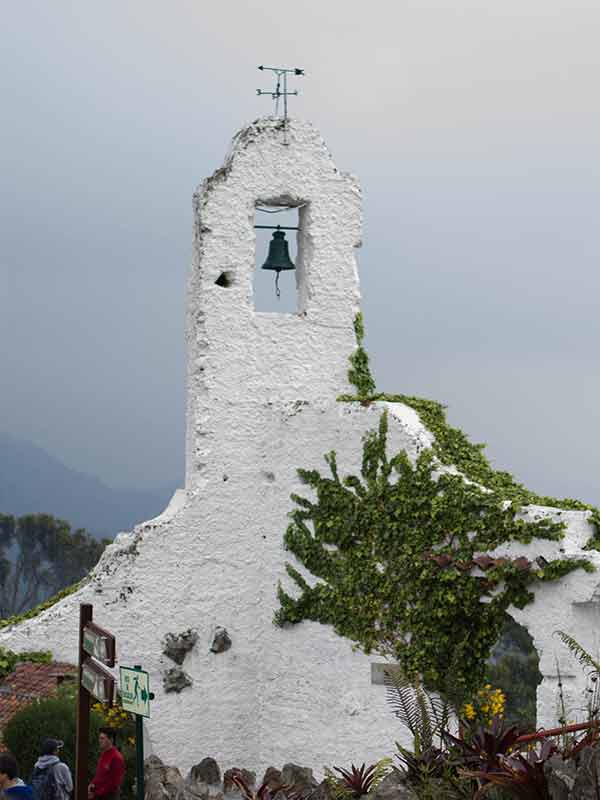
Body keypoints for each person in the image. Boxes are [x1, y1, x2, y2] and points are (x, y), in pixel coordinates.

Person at [88, 729, 124, 800]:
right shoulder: (104, 754)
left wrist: (96, 793)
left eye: (102, 738)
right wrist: (91, 785)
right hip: (99, 795)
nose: (100, 741)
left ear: (111, 740)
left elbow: (114, 783)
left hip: (109, 797)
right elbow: (99, 775)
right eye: (99, 738)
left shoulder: (116, 757)